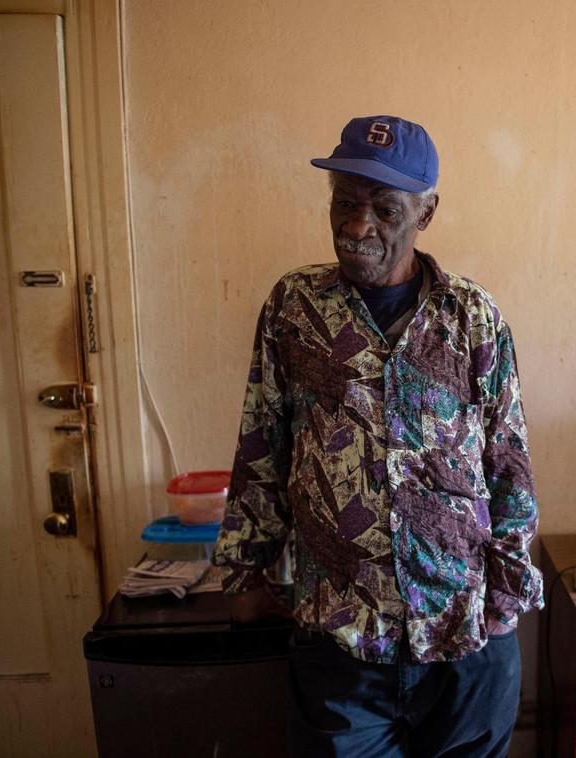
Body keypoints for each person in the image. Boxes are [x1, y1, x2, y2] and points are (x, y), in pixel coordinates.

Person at [213, 115, 543, 757]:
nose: (358, 226)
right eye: (346, 203)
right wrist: (246, 570)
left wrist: (504, 599)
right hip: (341, 639)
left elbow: (509, 458)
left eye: (385, 209)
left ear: (427, 213)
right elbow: (262, 441)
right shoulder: (295, 308)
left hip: (465, 634)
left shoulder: (472, 315)